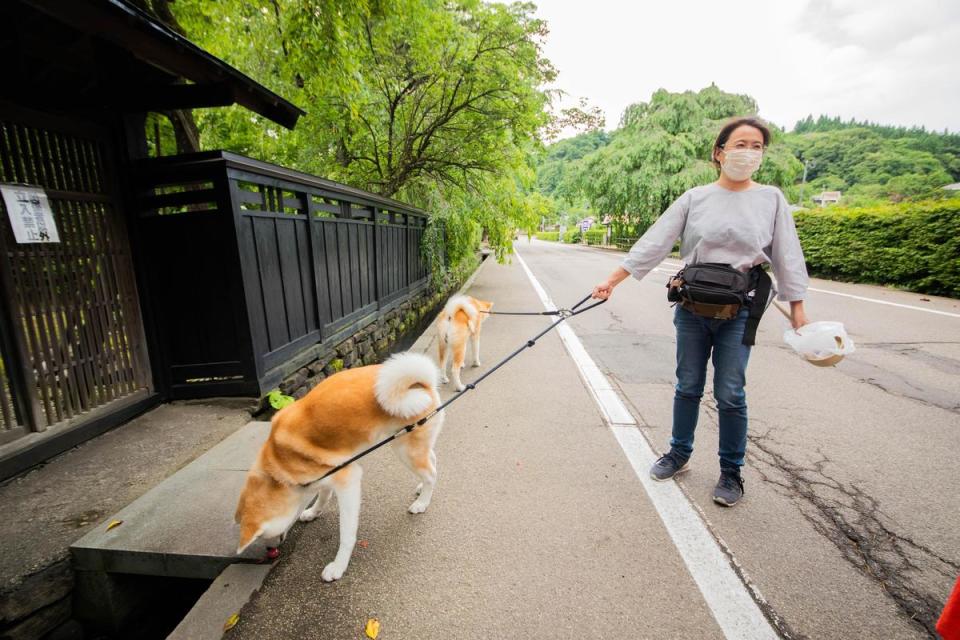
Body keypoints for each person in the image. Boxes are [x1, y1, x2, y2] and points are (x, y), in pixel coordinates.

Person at [591, 117, 810, 507]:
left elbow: (787, 255)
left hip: (739, 309)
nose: (749, 153)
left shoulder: (771, 199)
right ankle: (679, 454)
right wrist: (612, 281)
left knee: (730, 391)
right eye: (740, 144)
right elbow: (654, 242)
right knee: (687, 384)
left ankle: (731, 472)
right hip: (692, 306)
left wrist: (797, 308)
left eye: (757, 146)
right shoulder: (695, 197)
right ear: (719, 152)